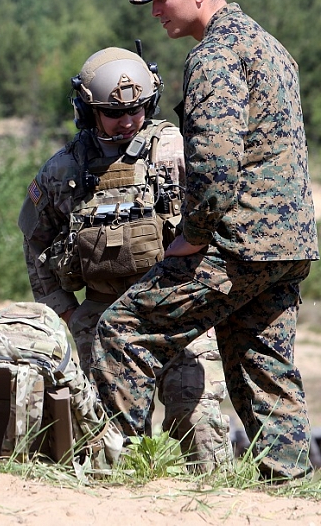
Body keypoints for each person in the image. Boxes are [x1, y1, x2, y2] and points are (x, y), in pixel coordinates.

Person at [90, 0, 319, 481]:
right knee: (264, 365)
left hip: (237, 241)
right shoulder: (270, 46)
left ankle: (118, 474)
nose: (154, 11)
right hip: (288, 244)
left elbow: (216, 168)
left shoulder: (215, 56)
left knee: (123, 330)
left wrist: (192, 237)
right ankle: (288, 488)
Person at [18, 46, 231, 469]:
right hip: (99, 316)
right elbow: (35, 240)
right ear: (87, 111)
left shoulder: (176, 152)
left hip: (177, 311)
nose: (128, 121)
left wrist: (209, 295)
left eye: (137, 109)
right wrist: (63, 310)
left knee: (200, 422)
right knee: (106, 440)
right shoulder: (63, 170)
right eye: (114, 113)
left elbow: (222, 215)